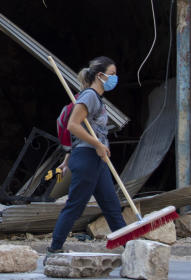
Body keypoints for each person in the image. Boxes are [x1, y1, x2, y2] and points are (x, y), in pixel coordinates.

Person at [47, 56, 126, 256]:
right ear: (100, 76)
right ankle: (54, 249)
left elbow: (82, 131)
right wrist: (98, 144)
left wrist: (68, 159)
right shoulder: (89, 96)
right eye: (112, 74)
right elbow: (73, 125)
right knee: (76, 205)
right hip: (88, 157)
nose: (115, 78)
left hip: (96, 158)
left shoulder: (97, 99)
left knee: (112, 206)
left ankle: (130, 250)